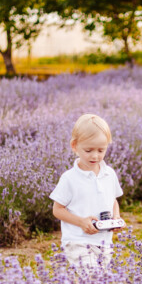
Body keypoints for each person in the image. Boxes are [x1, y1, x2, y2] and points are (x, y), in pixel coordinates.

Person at [50, 114, 123, 268]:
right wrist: (81, 222)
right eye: (88, 150)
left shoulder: (109, 174)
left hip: (104, 241)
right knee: (92, 280)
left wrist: (116, 218)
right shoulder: (69, 178)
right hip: (77, 240)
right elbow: (57, 210)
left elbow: (113, 200)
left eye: (101, 150)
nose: (95, 156)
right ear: (74, 146)